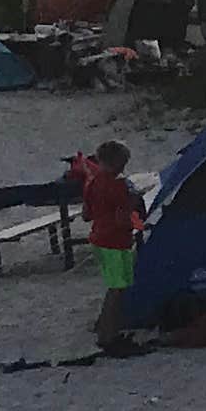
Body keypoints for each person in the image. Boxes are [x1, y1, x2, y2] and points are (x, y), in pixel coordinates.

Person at [68, 137, 145, 353]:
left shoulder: (92, 183)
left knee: (115, 286)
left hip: (99, 238)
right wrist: (133, 205)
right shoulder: (119, 186)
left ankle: (105, 326)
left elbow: (86, 215)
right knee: (117, 289)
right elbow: (123, 218)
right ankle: (108, 336)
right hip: (115, 241)